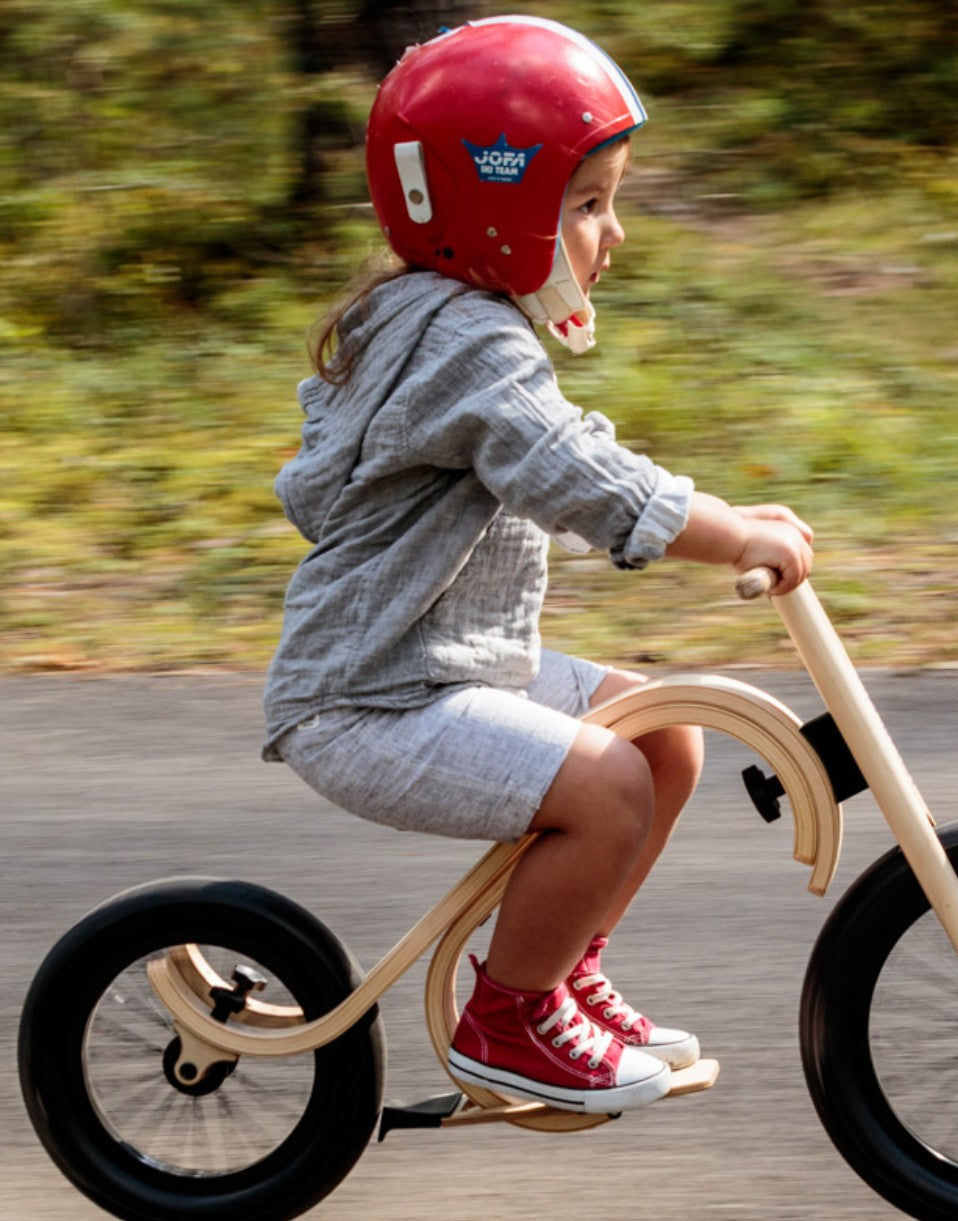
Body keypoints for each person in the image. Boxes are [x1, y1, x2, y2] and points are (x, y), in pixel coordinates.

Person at [262, 15, 813, 1116]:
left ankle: (555, 972)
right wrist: (723, 533)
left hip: (446, 663)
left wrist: (712, 513)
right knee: (608, 782)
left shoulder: (445, 319)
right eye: (588, 202)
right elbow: (574, 476)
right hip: (375, 699)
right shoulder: (469, 340)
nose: (614, 233)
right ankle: (511, 1020)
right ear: (496, 206)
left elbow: (538, 472)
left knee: (661, 729)